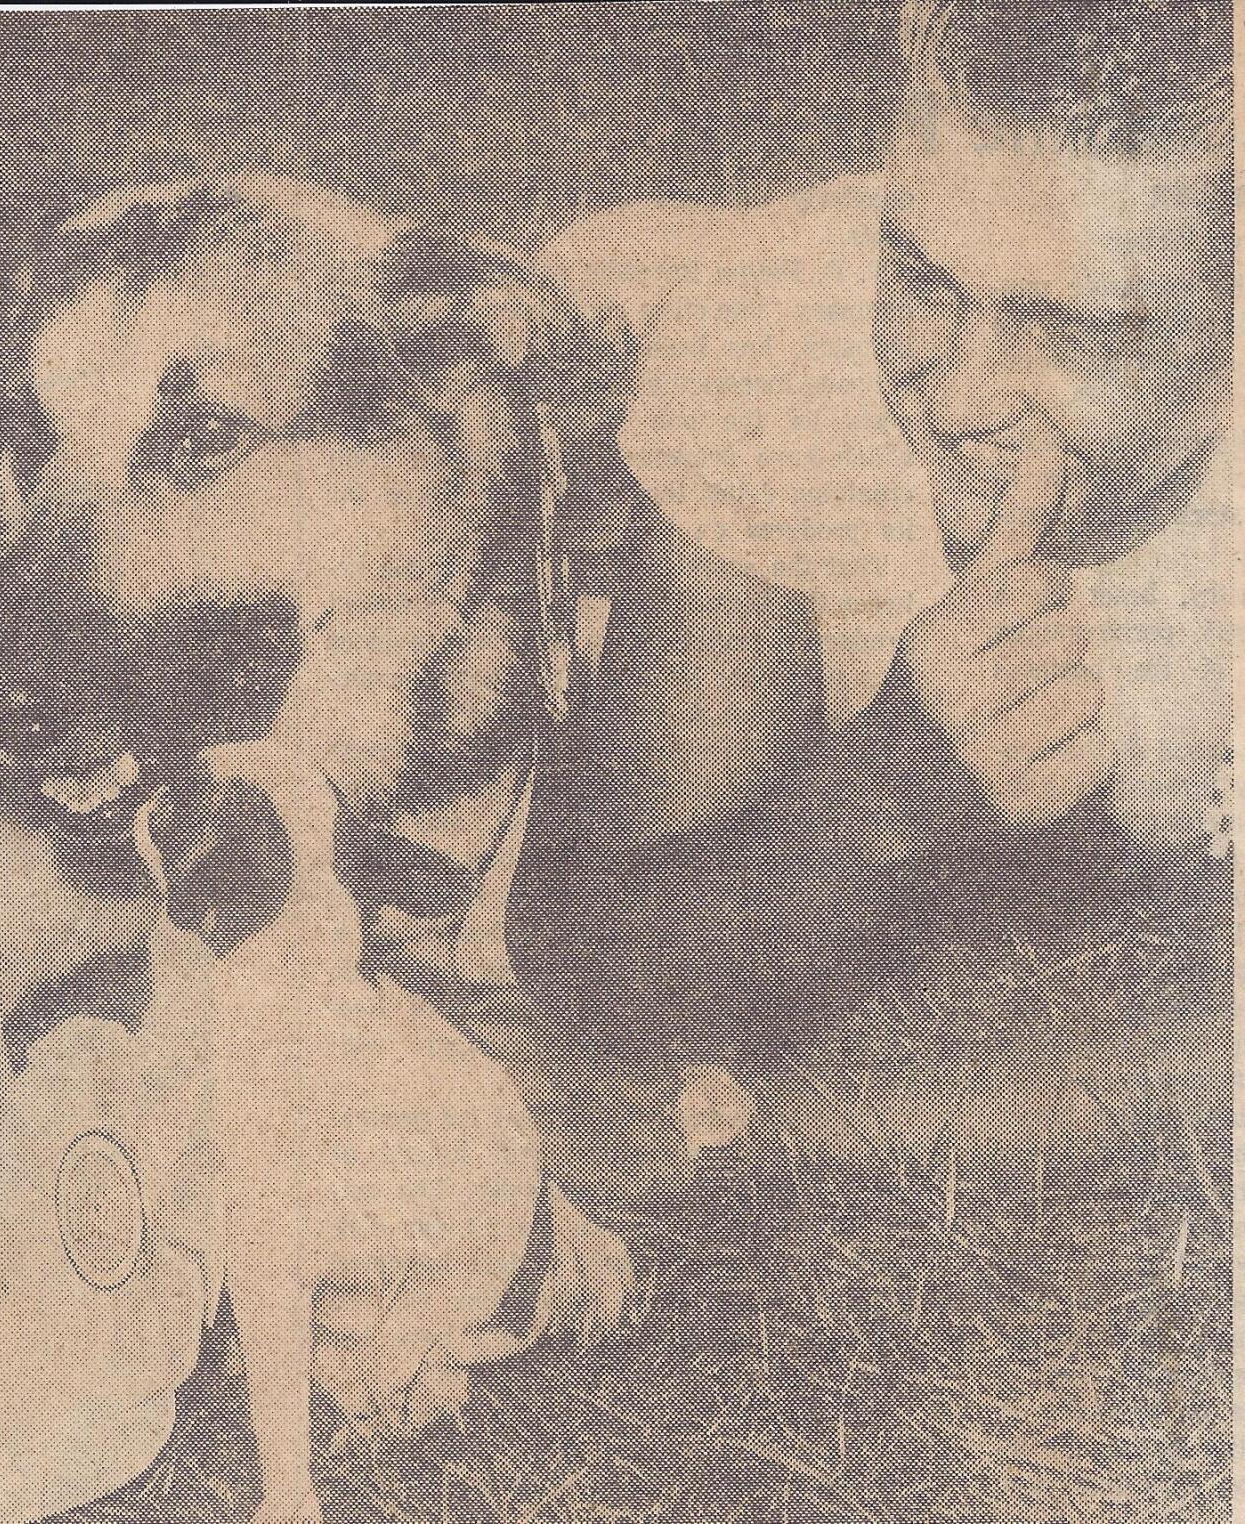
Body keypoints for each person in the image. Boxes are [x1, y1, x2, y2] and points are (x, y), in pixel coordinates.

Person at [510, 0, 1232, 1120]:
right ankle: (618, 296)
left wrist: (784, 1141)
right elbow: (611, 977)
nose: (957, 398)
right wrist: (885, 791)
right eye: (923, 278)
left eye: (1069, 329)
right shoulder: (782, 326)